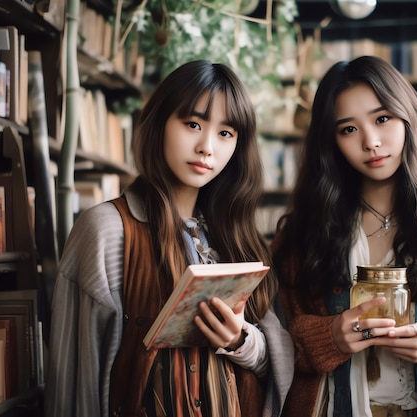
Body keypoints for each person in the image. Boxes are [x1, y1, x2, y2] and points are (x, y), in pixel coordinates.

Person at [45, 60, 293, 417]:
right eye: (193, 124)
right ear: (159, 123)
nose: (207, 147)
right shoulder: (108, 229)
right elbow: (76, 380)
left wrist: (240, 340)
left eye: (226, 133)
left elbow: (278, 361)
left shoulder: (236, 236)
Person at [271, 55, 417, 417]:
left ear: (408, 118)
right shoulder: (301, 238)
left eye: (383, 119)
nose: (371, 142)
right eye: (348, 129)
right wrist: (330, 337)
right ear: (330, 141)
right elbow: (274, 347)